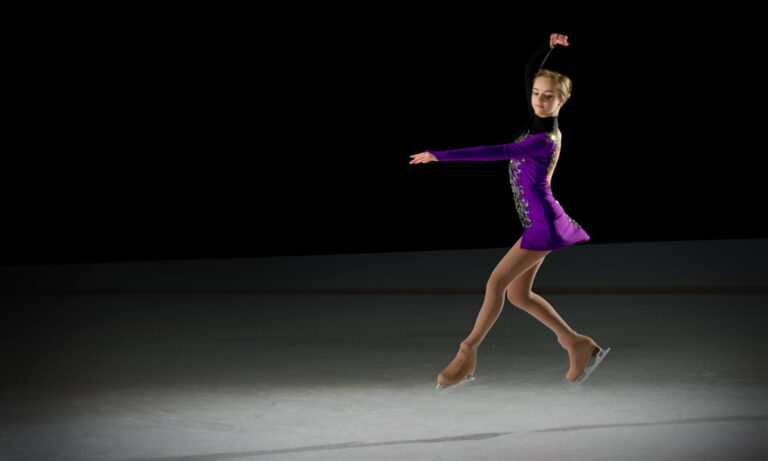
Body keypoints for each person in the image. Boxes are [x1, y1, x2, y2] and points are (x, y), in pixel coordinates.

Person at [409, 33, 610, 389]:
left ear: (563, 101)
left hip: (543, 224)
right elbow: (530, 69)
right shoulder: (535, 120)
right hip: (540, 221)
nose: (540, 100)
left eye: (549, 96)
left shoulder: (543, 139)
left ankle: (467, 353)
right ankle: (576, 343)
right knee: (518, 294)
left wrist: (440, 155)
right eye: (536, 93)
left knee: (496, 284)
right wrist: (549, 45)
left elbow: (496, 151)